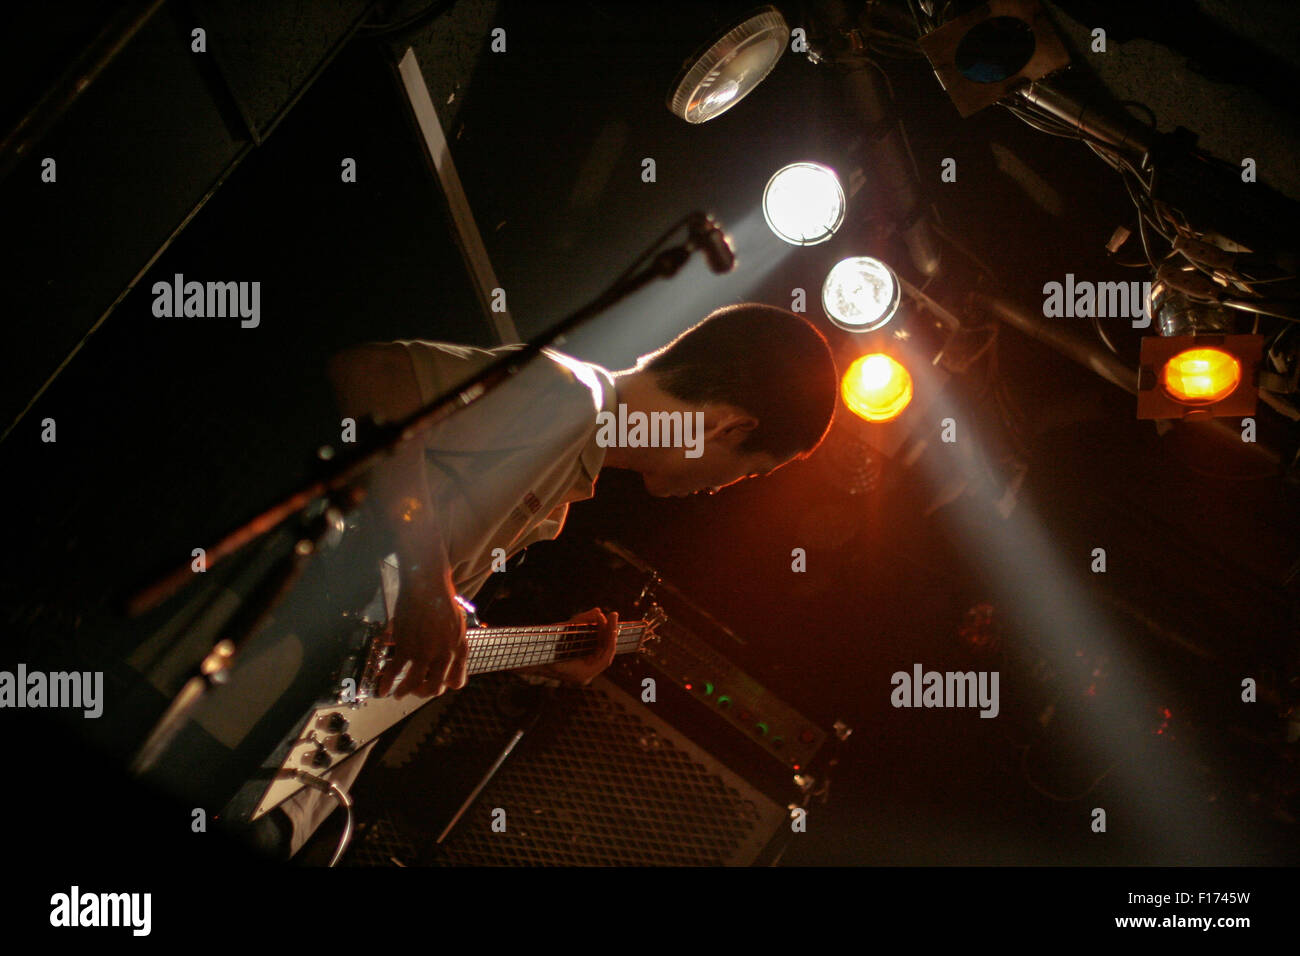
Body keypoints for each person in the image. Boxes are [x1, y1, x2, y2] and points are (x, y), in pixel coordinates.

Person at [270, 302, 838, 858]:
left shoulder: (566, 486)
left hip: (302, 751)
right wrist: (425, 580)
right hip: (269, 677)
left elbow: (408, 625)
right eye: (752, 470)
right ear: (733, 427)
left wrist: (530, 656)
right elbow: (369, 377)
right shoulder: (569, 397)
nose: (727, 486)